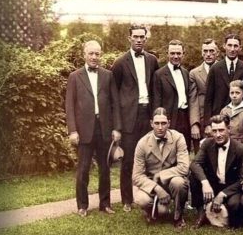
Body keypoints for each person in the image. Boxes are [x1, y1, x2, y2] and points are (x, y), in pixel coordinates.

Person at [65, 40, 121, 217]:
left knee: (105, 169)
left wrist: (117, 128)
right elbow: (69, 106)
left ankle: (105, 204)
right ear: (84, 55)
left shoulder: (108, 75)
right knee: (83, 169)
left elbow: (115, 104)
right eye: (91, 53)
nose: (94, 57)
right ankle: (82, 205)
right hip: (84, 131)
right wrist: (72, 130)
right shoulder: (75, 76)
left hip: (104, 128)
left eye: (97, 54)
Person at [111, 24, 159, 212]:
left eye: (142, 37)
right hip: (129, 117)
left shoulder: (152, 60)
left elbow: (155, 89)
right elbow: (114, 95)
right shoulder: (120, 62)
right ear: (129, 38)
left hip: (147, 115)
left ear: (146, 39)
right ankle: (126, 200)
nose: (139, 40)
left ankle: (148, 195)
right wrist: (117, 125)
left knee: (150, 158)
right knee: (129, 160)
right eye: (136, 37)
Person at [132, 108, 190, 229]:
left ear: (168, 123)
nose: (160, 127)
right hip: (152, 183)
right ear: (151, 123)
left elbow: (184, 167)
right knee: (142, 199)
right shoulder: (142, 143)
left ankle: (178, 216)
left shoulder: (178, 138)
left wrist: (162, 174)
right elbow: (137, 176)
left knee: (179, 182)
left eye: (163, 123)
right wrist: (157, 188)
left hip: (171, 182)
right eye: (157, 123)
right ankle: (151, 210)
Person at [189, 114, 243, 227]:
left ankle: (223, 209)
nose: (218, 135)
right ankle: (201, 212)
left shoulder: (240, 149)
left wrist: (223, 194)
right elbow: (194, 163)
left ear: (229, 129)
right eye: (214, 131)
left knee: (234, 207)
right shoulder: (207, 144)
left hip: (230, 187)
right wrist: (205, 183)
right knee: (194, 176)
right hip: (213, 185)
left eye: (221, 130)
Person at [204, 33, 243, 123]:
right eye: (229, 45)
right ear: (224, 46)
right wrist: (207, 123)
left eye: (235, 46)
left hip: (240, 119)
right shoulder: (215, 69)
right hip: (218, 118)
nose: (232, 49)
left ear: (240, 48)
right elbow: (208, 98)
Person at [152, 40, 191, 138]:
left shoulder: (186, 73)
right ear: (167, 54)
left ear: (183, 54)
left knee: (184, 148)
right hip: (169, 119)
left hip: (185, 118)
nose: (176, 56)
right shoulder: (159, 74)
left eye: (178, 53)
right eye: (172, 53)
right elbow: (157, 101)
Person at [188, 38, 218, 155]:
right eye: (205, 51)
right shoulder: (194, 73)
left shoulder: (223, 69)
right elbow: (193, 99)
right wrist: (195, 124)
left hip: (220, 120)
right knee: (201, 156)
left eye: (211, 51)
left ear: (217, 53)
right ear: (201, 53)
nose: (208, 54)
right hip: (201, 119)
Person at [219, 80, 243, 144]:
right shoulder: (224, 110)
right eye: (232, 93)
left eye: (237, 93)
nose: (234, 96)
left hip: (240, 145)